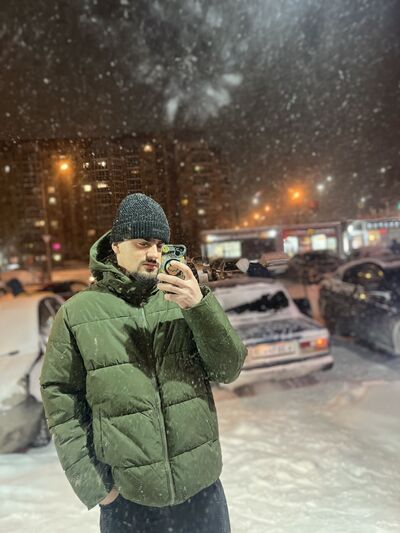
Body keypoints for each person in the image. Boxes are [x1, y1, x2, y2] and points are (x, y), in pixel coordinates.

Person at [40, 193, 247, 533]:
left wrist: (200, 308)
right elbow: (61, 403)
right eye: (142, 243)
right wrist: (96, 487)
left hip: (201, 494)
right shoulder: (77, 314)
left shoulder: (184, 300)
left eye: (160, 245)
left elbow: (228, 368)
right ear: (116, 245)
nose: (153, 253)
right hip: (129, 502)